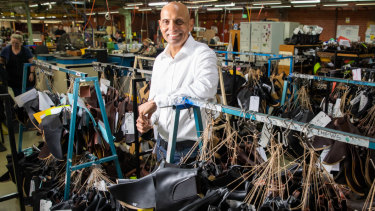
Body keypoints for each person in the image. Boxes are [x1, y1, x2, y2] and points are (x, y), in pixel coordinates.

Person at [136, 2, 218, 163]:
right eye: (166, 22)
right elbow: (156, 102)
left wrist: (158, 102)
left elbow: (206, 88)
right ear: (160, 25)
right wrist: (149, 121)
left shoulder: (203, 54)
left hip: (190, 151)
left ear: (190, 25)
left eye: (179, 21)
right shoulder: (160, 60)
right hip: (161, 146)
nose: (172, 28)